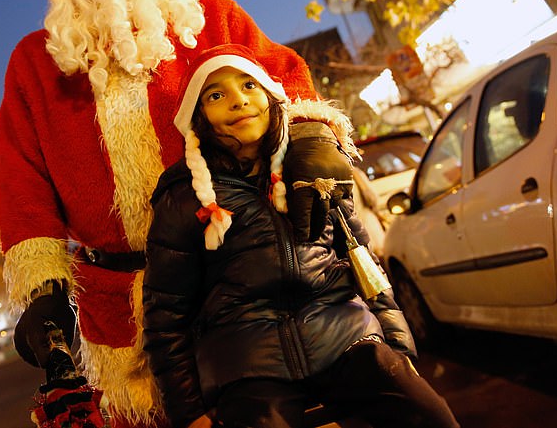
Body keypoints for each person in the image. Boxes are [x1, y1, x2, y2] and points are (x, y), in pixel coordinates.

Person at [0, 0, 337, 427]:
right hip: (117, 316)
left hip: (233, 280)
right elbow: (23, 184)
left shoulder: (213, 18)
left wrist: (310, 141)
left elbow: (284, 83)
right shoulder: (35, 64)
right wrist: (43, 290)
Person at [143, 45, 460, 428]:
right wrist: (189, 411)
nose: (238, 100)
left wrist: (397, 349)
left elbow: (366, 265)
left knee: (432, 417)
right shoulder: (183, 195)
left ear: (271, 96)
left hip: (345, 339)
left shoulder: (312, 168)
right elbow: (166, 316)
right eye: (216, 95)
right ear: (199, 117)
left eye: (248, 85)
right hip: (248, 364)